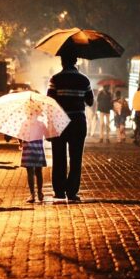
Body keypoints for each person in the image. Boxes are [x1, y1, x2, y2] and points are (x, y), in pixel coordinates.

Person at [47, 55, 94, 202]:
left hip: (59, 122)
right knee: (75, 158)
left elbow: (49, 101)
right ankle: (72, 191)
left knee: (58, 157)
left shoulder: (55, 79)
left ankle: (59, 191)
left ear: (62, 62)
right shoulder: (84, 80)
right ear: (76, 62)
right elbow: (90, 101)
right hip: (78, 122)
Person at [20, 134, 47, 204]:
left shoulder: (24, 124)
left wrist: (20, 143)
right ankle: (40, 193)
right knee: (39, 171)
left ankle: (32, 194)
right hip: (38, 148)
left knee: (30, 172)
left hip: (28, 149)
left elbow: (20, 135)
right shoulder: (40, 123)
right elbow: (46, 133)